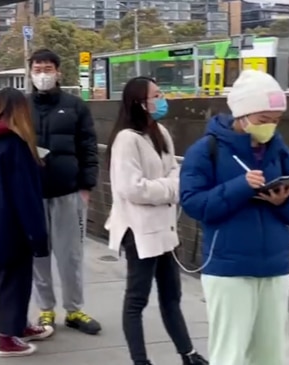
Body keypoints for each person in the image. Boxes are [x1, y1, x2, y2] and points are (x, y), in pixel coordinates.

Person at [180, 70, 289, 365]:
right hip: (229, 268)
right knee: (231, 353)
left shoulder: (279, 150)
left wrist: (282, 202)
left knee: (270, 354)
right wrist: (240, 186)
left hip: (275, 267)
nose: (271, 127)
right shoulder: (205, 150)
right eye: (264, 120)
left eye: (277, 120)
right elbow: (194, 204)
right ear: (243, 114)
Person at [105, 77, 208, 365]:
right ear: (140, 102)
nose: (162, 99)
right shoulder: (127, 138)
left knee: (171, 295)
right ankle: (141, 361)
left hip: (165, 228)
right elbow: (132, 188)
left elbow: (176, 171)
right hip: (138, 230)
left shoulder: (159, 131)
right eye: (156, 95)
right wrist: (169, 190)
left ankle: (187, 353)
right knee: (137, 299)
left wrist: (167, 187)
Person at [0, 87, 53, 357]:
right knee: (13, 280)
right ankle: (6, 337)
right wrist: (38, 234)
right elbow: (25, 195)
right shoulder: (17, 146)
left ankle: (19, 324)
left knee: (15, 278)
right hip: (15, 226)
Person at [27, 49, 101, 334]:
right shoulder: (22, 107)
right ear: (31, 72)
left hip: (68, 192)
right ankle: (46, 309)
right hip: (33, 194)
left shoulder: (75, 106)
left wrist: (86, 185)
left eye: (48, 68)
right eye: (38, 69)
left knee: (70, 255)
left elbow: (88, 147)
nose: (43, 74)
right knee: (39, 255)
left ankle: (74, 310)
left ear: (58, 72)